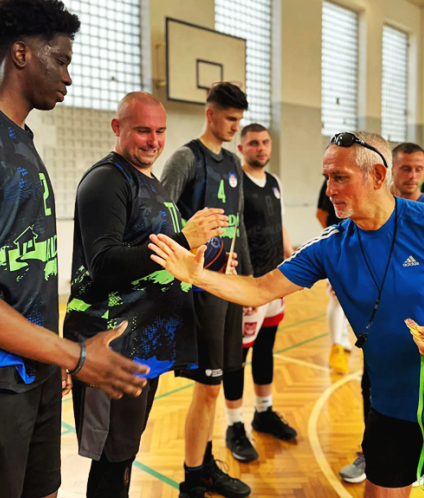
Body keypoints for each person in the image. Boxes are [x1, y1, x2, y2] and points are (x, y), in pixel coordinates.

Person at [150, 130, 424, 498]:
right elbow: (259, 289)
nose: (329, 190)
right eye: (326, 178)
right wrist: (197, 275)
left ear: (377, 175)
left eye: (340, 177)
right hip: (389, 410)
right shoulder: (330, 245)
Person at [0, 0, 148, 498]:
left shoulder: (21, 140)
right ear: (21, 54)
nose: (68, 76)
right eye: (61, 60)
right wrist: (74, 355)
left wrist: (49, 357)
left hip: (34, 372)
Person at [63, 92, 229, 497]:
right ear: (117, 128)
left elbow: (151, 255)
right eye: (142, 130)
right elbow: (103, 264)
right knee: (111, 459)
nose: (153, 140)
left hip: (144, 345)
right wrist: (181, 238)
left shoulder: (148, 182)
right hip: (111, 345)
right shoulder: (106, 180)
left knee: (124, 453)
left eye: (159, 131)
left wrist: (196, 256)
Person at [161, 82, 253, 498]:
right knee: (208, 386)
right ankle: (192, 478)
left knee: (215, 387)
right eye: (230, 118)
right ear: (210, 113)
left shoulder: (233, 162)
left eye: (239, 119)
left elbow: (239, 230)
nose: (235, 126)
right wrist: (197, 254)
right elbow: (159, 219)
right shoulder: (186, 158)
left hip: (228, 290)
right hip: (198, 292)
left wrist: (248, 285)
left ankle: (203, 465)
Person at [338, 140, 424, 484]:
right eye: (406, 168)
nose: (413, 175)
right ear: (387, 172)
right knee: (372, 390)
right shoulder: (364, 218)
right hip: (379, 337)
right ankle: (370, 453)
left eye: (419, 169)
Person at [223, 123, 297, 464]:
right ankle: (234, 425)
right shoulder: (235, 183)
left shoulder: (276, 182)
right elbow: (227, 226)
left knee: (266, 348)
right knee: (238, 356)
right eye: (253, 143)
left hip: (273, 281)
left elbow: (278, 221)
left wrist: (288, 254)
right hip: (246, 285)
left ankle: (263, 413)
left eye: (265, 142)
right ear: (241, 148)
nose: (261, 148)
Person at [316, 180, 354, 374]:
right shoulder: (332, 181)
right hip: (339, 247)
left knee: (354, 294)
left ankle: (344, 336)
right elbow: (320, 213)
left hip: (361, 244)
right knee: (338, 297)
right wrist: (335, 236)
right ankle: (336, 346)